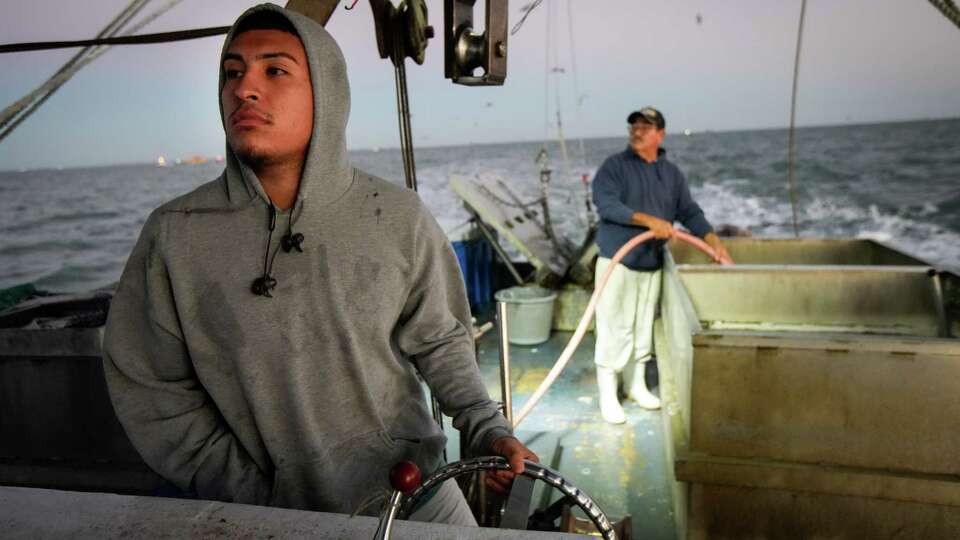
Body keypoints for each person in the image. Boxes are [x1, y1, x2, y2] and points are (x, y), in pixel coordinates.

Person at [102, 4, 536, 526]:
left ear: (326, 94)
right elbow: (154, 387)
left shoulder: (397, 217)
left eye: (275, 70)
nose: (245, 88)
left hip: (418, 498)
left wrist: (488, 429)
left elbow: (441, 341)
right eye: (232, 72)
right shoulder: (175, 234)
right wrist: (248, 491)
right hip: (264, 517)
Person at [591, 106, 731, 424]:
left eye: (645, 126)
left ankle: (636, 385)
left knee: (642, 328)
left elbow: (689, 210)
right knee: (614, 327)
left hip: (651, 262)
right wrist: (647, 220)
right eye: (634, 126)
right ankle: (607, 393)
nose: (637, 131)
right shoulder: (614, 167)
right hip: (618, 260)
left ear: (660, 134)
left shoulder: (671, 174)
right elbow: (606, 203)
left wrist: (710, 238)